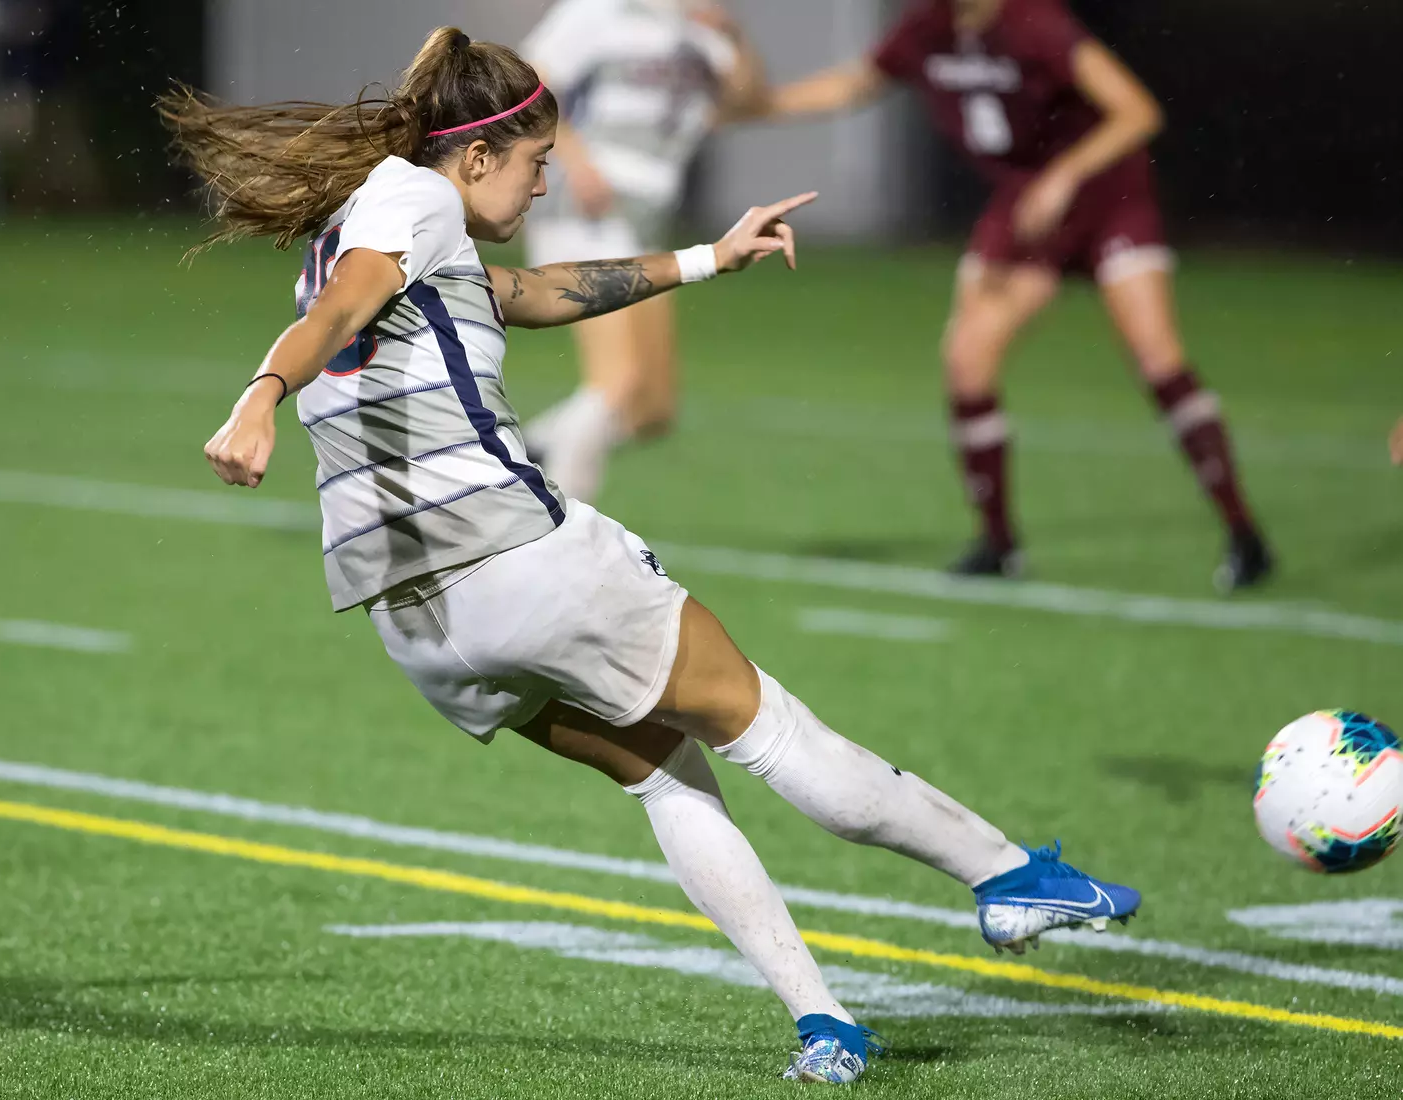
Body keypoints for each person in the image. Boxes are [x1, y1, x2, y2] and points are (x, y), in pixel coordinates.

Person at [161, 26, 1139, 1085]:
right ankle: (1006, 871)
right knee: (773, 728)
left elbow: (530, 295)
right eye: (536, 163)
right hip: (514, 560)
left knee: (663, 770)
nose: (544, 185)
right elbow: (351, 299)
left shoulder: (381, 212)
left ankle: (826, 1025)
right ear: (477, 155)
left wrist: (709, 256)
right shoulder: (419, 200)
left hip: (418, 628)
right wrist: (260, 397)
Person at [769, 0, 1273, 591]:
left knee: (1158, 358)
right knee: (968, 360)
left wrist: (1065, 175)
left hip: (1108, 198)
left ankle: (1245, 535)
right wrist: (758, 105)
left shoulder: (1036, 22)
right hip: (1029, 207)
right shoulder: (929, 25)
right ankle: (998, 544)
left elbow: (1137, 111)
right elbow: (855, 83)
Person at [518, 0, 768, 502]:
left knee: (651, 410)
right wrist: (578, 163)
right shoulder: (599, 11)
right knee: (618, 383)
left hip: (644, 220)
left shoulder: (704, 31)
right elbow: (527, 89)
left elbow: (748, 103)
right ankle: (559, 530)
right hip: (589, 208)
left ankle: (523, 456)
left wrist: (733, 36)